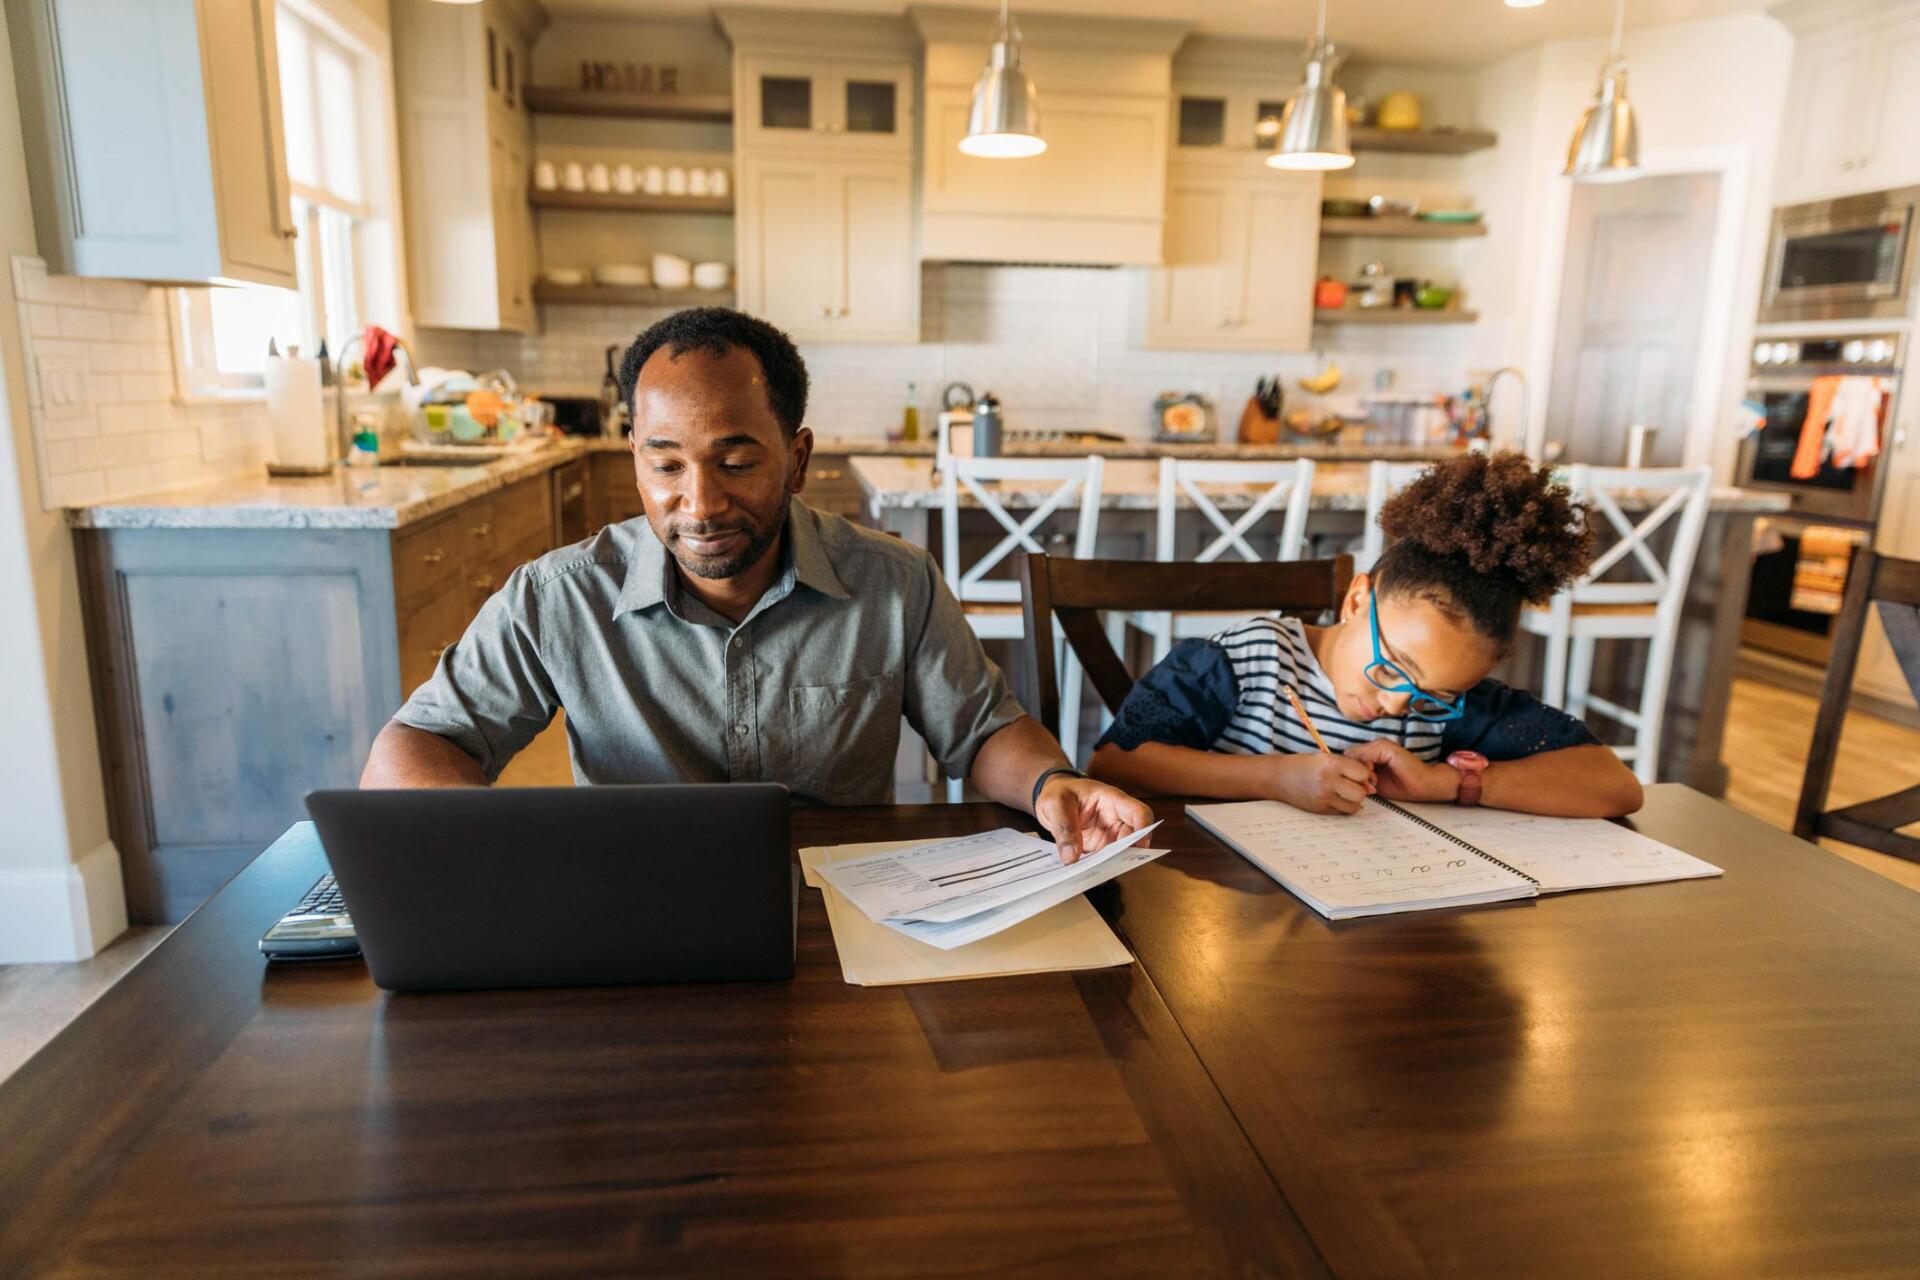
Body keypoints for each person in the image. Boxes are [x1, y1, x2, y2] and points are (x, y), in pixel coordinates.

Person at [362, 307, 1150, 863]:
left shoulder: (894, 582)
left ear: (798, 459)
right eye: (665, 464)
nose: (698, 504)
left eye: (737, 463)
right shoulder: (558, 595)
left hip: (841, 914)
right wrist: (488, 853)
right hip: (635, 909)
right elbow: (423, 743)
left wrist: (1054, 783)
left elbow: (982, 733)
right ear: (633, 452)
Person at [1087, 451, 1644, 819]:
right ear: (1357, 600)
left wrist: (1444, 784)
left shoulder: (1444, 703)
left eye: (1431, 694)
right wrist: (1278, 778)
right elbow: (1115, 763)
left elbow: (1616, 787)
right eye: (1391, 666)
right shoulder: (1243, 662)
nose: (1398, 704)